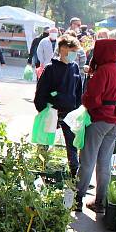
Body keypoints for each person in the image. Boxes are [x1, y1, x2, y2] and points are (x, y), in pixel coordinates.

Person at [76, 38, 116, 213]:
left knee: (87, 160)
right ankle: (100, 202)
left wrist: (85, 101)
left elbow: (92, 99)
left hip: (100, 118)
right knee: (104, 162)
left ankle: (77, 198)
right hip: (115, 118)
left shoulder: (103, 71)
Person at [34, 34, 83, 176]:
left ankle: (75, 174)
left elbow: (78, 91)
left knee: (72, 145)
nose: (73, 55)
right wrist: (42, 109)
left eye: (75, 52)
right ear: (62, 49)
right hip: (52, 110)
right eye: (70, 51)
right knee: (44, 142)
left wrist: (78, 110)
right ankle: (40, 169)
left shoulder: (75, 68)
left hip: (70, 113)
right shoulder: (50, 68)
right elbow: (40, 91)